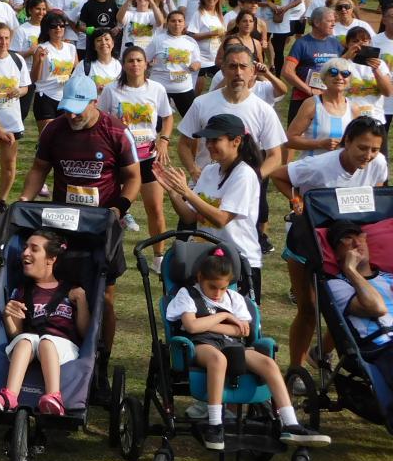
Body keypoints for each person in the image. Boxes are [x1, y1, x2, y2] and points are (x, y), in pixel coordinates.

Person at [18, 73, 139, 398]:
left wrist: (119, 208)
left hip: (101, 228)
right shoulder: (55, 130)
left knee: (105, 297)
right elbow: (39, 168)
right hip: (62, 225)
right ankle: (54, 350)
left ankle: (100, 361)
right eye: (66, 108)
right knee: (56, 290)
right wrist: (24, 201)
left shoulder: (115, 130)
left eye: (77, 109)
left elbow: (132, 176)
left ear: (94, 102)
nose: (71, 115)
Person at [163, 248, 330, 449]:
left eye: (223, 288)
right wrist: (225, 316)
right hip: (201, 344)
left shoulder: (234, 298)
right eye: (212, 287)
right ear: (199, 278)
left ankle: (290, 423)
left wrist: (210, 322)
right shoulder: (187, 294)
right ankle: (215, 425)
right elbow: (192, 327)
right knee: (218, 360)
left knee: (268, 363)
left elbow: (242, 331)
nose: (218, 294)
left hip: (233, 345)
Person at [270, 116, 388, 370]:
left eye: (375, 149)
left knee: (348, 307)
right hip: (307, 242)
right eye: (362, 147)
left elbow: (376, 195)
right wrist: (297, 203)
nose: (368, 155)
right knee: (309, 309)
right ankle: (296, 368)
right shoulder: (319, 166)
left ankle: (320, 352)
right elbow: (278, 175)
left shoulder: (378, 164)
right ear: (347, 141)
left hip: (349, 245)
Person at [0, 229, 90, 416]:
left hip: (63, 346)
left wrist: (82, 302)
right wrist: (9, 317)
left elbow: (84, 332)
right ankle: (9, 396)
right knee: (24, 341)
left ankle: (54, 396)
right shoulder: (22, 292)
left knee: (47, 342)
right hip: (30, 342)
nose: (25, 253)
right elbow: (16, 334)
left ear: (51, 258)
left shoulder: (71, 291)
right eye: (24, 248)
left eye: (34, 249)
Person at [161, 113, 268, 301]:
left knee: (238, 325)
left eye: (215, 140)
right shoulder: (210, 170)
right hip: (207, 259)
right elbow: (189, 218)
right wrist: (173, 193)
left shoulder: (244, 175)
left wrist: (187, 192)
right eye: (207, 140)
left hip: (238, 264)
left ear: (236, 141)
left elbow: (221, 219)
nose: (209, 145)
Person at [99, 45, 173, 238]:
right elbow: (100, 118)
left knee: (156, 209)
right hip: (120, 158)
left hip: (148, 155)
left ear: (146, 63)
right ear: (123, 65)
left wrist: (164, 139)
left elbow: (168, 117)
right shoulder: (111, 90)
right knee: (112, 209)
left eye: (139, 60)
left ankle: (159, 256)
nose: (135, 64)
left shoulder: (157, 89)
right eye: (130, 60)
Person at [325, 220, 393, 393]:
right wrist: (350, 270)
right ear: (337, 254)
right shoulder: (338, 285)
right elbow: (377, 308)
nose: (357, 243)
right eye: (347, 239)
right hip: (379, 348)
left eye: (360, 237)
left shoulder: (388, 277)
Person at [0, 22, 31, 211]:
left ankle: (2, 200)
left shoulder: (17, 60)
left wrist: (18, 91)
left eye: (7, 38)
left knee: (9, 164)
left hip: (12, 121)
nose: (3, 42)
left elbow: (26, 87)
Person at [285, 57, 354, 160]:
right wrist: (320, 144)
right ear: (324, 78)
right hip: (312, 170)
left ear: (350, 79)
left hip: (340, 172)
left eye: (345, 74)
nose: (339, 77)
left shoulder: (354, 109)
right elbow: (289, 140)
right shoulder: (312, 104)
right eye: (333, 72)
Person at [146, 9, 201, 117]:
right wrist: (148, 66)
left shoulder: (190, 41)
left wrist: (195, 66)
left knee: (192, 120)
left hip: (184, 88)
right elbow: (145, 59)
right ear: (167, 23)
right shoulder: (157, 40)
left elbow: (198, 62)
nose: (177, 24)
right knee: (156, 122)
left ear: (184, 23)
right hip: (160, 88)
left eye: (180, 21)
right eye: (173, 21)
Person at [30, 12, 78, 132]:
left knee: (66, 137)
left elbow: (77, 73)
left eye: (61, 25)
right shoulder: (42, 49)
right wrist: (40, 61)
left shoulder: (71, 48)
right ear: (47, 29)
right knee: (47, 136)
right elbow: (34, 79)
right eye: (53, 26)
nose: (58, 28)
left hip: (65, 97)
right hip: (45, 96)